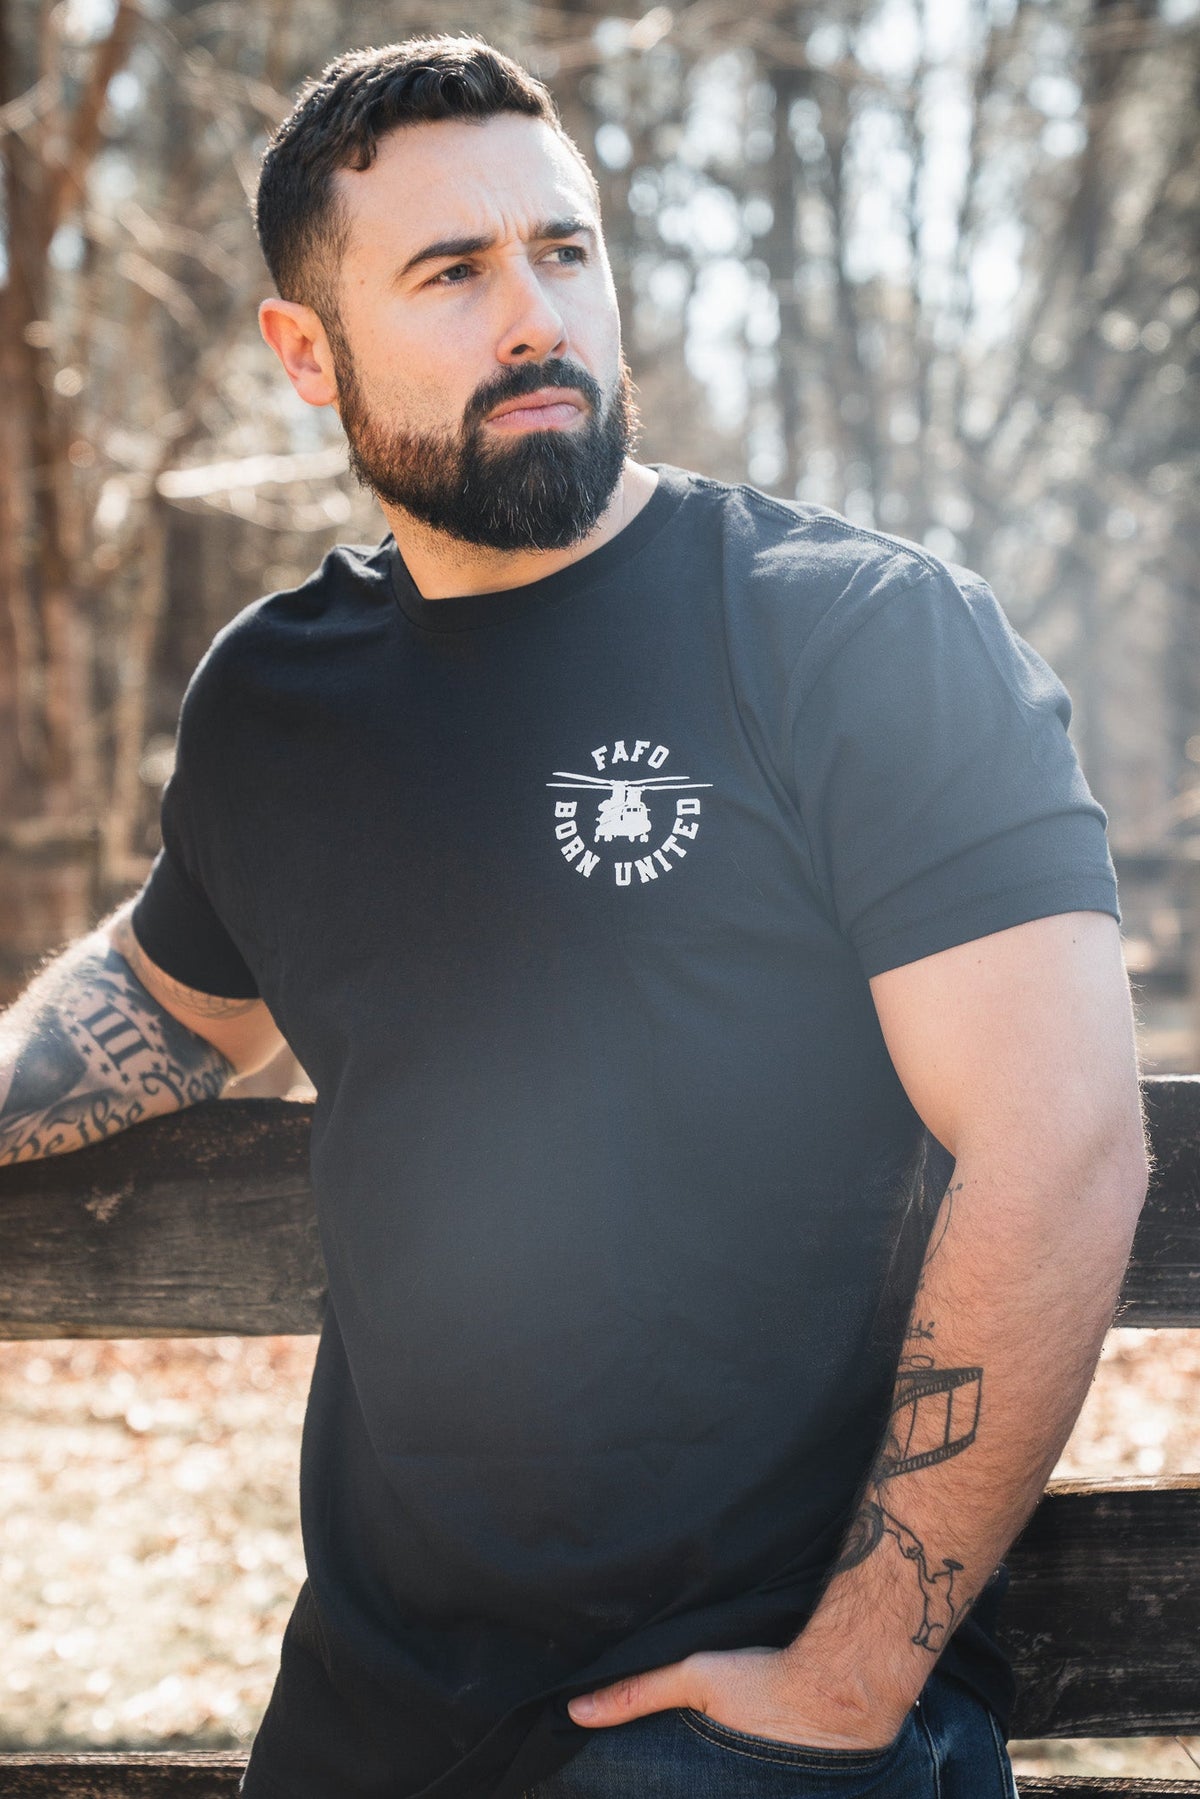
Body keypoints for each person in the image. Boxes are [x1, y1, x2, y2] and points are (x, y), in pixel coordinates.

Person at [0, 34, 1149, 1799]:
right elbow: (172, 1004)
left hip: (740, 1722)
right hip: (373, 1712)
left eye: (564, 250)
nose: (533, 314)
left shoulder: (856, 639)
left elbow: (1065, 1147)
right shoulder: (280, 699)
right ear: (306, 351)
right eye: (452, 273)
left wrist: (852, 1681)